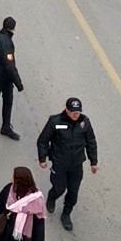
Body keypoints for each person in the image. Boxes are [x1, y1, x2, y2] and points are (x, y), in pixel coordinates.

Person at [36, 97, 98, 232]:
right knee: (59, 188)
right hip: (59, 163)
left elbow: (91, 142)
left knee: (73, 191)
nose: (76, 115)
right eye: (73, 112)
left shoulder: (84, 122)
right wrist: (42, 158)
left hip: (76, 164)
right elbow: (43, 140)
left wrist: (94, 161)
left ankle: (66, 214)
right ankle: (52, 197)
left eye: (78, 112)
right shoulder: (55, 122)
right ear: (66, 110)